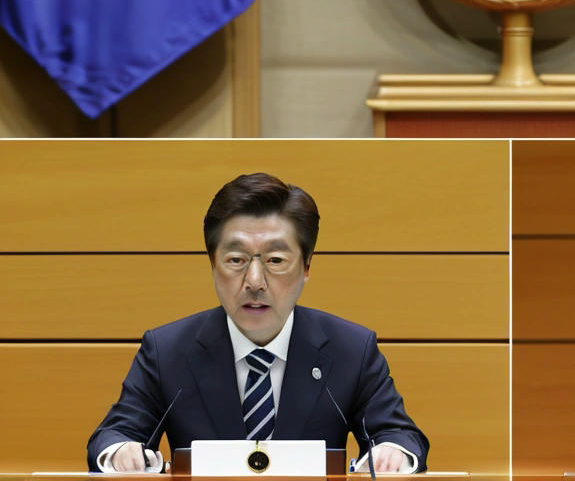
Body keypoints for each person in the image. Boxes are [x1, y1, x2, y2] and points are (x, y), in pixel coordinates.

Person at [87, 172, 428, 473]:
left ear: (307, 266)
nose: (254, 281)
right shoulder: (167, 350)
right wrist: (122, 451)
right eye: (236, 259)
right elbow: (115, 435)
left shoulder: (351, 349)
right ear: (212, 264)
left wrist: (391, 452)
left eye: (275, 260)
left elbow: (399, 435)